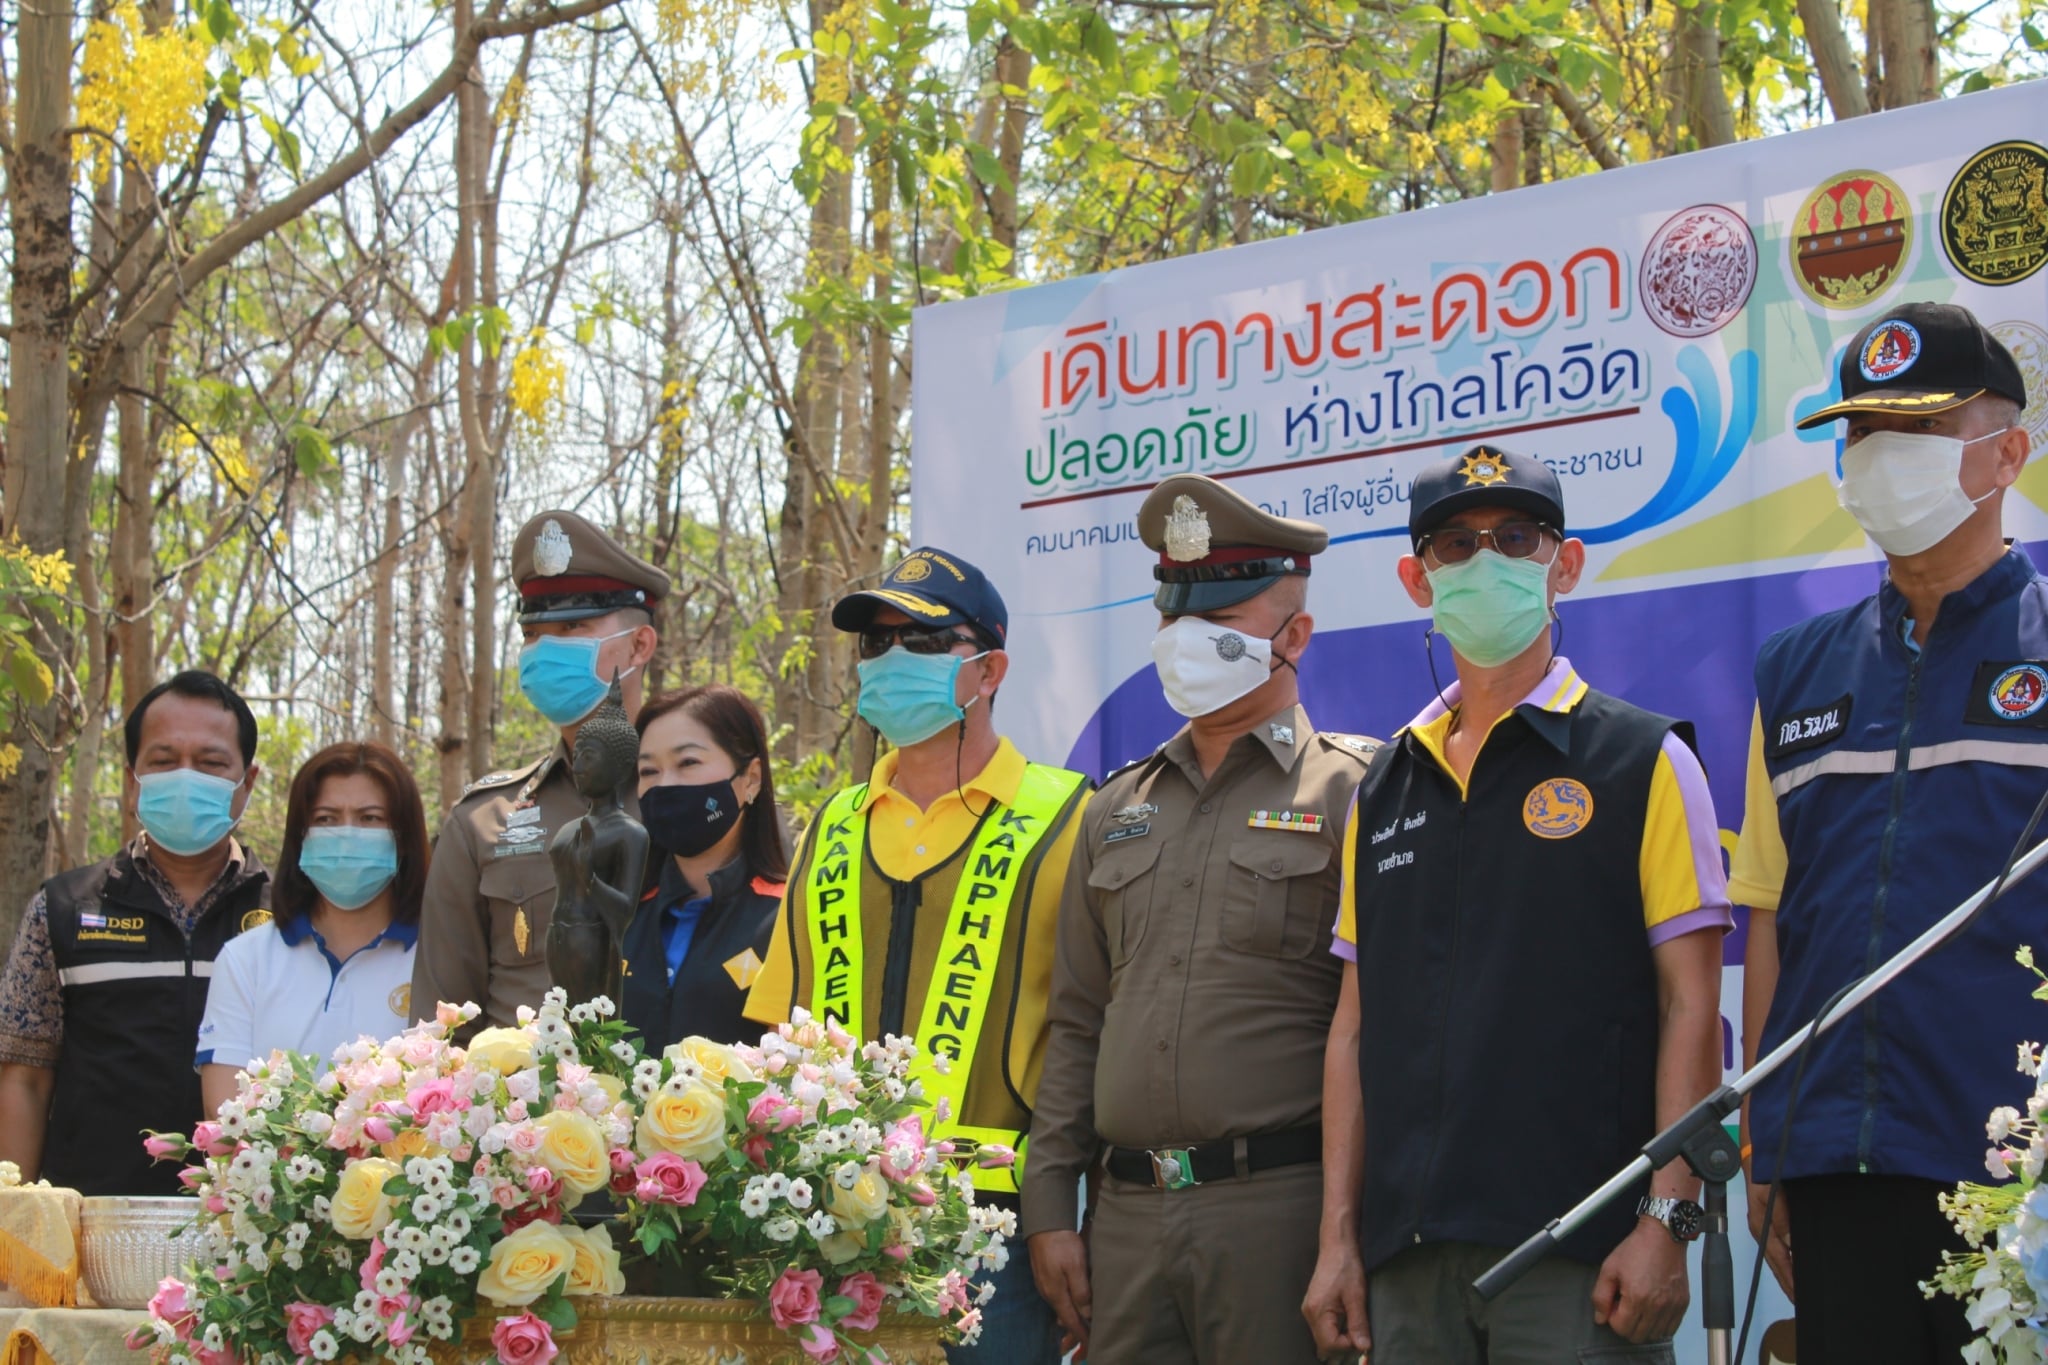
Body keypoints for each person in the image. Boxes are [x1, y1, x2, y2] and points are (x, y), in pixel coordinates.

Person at [1302, 445, 1729, 1362]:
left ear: (1564, 564)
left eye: (1515, 537)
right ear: (1417, 580)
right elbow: (1353, 1028)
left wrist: (1669, 1218)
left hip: (1583, 1256)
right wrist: (1338, 1237)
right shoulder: (1383, 784)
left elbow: (1690, 1005)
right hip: (1407, 1263)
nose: (1485, 559)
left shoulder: (1645, 759)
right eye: (1455, 544)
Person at [1733, 301, 2041, 1364]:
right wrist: (1764, 1137)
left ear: (2006, 454)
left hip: (2020, 1180)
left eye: (1916, 430)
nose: (1876, 456)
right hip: (1833, 1172)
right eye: (1860, 432)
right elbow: (1769, 916)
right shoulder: (1794, 672)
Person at [1025, 474, 1378, 1365]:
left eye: (1219, 620)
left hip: (1279, 1213)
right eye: (1173, 616)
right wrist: (1050, 1208)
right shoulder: (1114, 807)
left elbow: (1381, 1027)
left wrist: (1347, 1229)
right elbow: (1077, 1021)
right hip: (1125, 1219)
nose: (1187, 639)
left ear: (1294, 636)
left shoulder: (1355, 790)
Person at [745, 547, 1090, 1365]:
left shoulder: (1069, 813)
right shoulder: (834, 821)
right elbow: (779, 1032)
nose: (892, 659)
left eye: (925, 641)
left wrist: (1066, 1216)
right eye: (876, 642)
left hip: (994, 1230)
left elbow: (1090, 1038)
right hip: (828, 1220)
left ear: (989, 668)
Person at [0, 671, 269, 1195]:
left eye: (211, 763)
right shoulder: (62, 909)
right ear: (132, 780)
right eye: (165, 761)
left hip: (251, 1222)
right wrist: (14, 1220)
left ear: (248, 782)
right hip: (89, 1219)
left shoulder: (289, 919)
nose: (186, 778)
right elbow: (24, 1077)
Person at [412, 510, 670, 1040]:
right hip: (517, 1091)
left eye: (573, 627)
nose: (546, 650)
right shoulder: (483, 821)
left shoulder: (695, 798)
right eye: (533, 633)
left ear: (640, 645)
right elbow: (441, 1028)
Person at [198, 741, 429, 1112]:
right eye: (326, 819)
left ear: (404, 837)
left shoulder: (437, 958)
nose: (346, 835)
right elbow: (224, 1118)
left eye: (370, 818)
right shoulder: (245, 960)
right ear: (300, 836)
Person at [622, 686, 787, 1052]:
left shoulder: (788, 917)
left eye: (688, 763)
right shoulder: (620, 916)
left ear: (751, 778)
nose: (665, 784)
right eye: (649, 770)